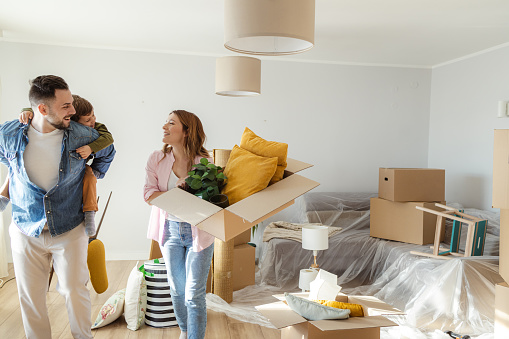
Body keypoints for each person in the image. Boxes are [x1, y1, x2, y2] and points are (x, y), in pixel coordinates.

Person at [0, 75, 116, 339]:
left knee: (75, 290)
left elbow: (108, 148)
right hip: (25, 228)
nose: (73, 111)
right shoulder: (9, 134)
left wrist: (94, 174)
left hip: (69, 226)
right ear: (42, 109)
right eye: (66, 106)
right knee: (30, 296)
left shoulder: (81, 135)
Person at [144, 110, 215, 339]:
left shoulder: (205, 162)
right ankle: (184, 331)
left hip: (199, 233)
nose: (164, 126)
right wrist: (177, 191)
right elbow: (148, 195)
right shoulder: (156, 158)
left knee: (194, 294)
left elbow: (210, 201)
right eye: (166, 121)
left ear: (186, 132)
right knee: (177, 289)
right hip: (169, 231)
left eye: (171, 123)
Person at [7, 95, 115, 236]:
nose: (93, 121)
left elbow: (109, 140)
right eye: (88, 120)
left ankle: (90, 213)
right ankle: (4, 195)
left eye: (93, 116)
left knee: (89, 176)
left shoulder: (96, 129)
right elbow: (42, 112)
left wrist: (91, 149)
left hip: (82, 166)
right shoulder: (61, 128)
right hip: (61, 170)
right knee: (17, 167)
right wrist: (27, 111)